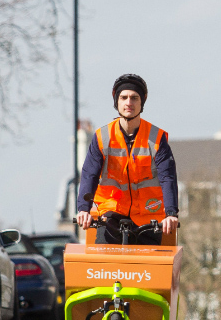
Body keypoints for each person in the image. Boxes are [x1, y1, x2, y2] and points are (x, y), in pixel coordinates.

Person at [76, 74, 179, 245]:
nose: (128, 103)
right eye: (123, 97)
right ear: (116, 101)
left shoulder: (156, 138)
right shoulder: (102, 137)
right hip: (111, 212)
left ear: (142, 102)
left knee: (151, 268)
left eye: (134, 98)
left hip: (148, 215)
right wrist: (83, 210)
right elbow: (89, 175)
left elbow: (168, 177)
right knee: (104, 263)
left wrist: (171, 214)